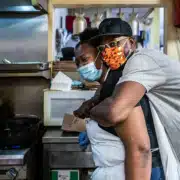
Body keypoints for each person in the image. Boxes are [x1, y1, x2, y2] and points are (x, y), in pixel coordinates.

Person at [88, 18, 180, 179]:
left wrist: (91, 111)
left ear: (131, 43)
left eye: (114, 44)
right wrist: (93, 102)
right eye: (103, 47)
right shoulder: (119, 70)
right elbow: (104, 93)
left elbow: (115, 112)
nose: (108, 51)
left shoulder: (141, 61)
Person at [74, 28, 164, 180]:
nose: (81, 67)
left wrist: (92, 112)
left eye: (84, 60)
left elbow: (140, 148)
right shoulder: (106, 85)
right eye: (77, 63)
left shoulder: (122, 86)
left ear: (101, 56)